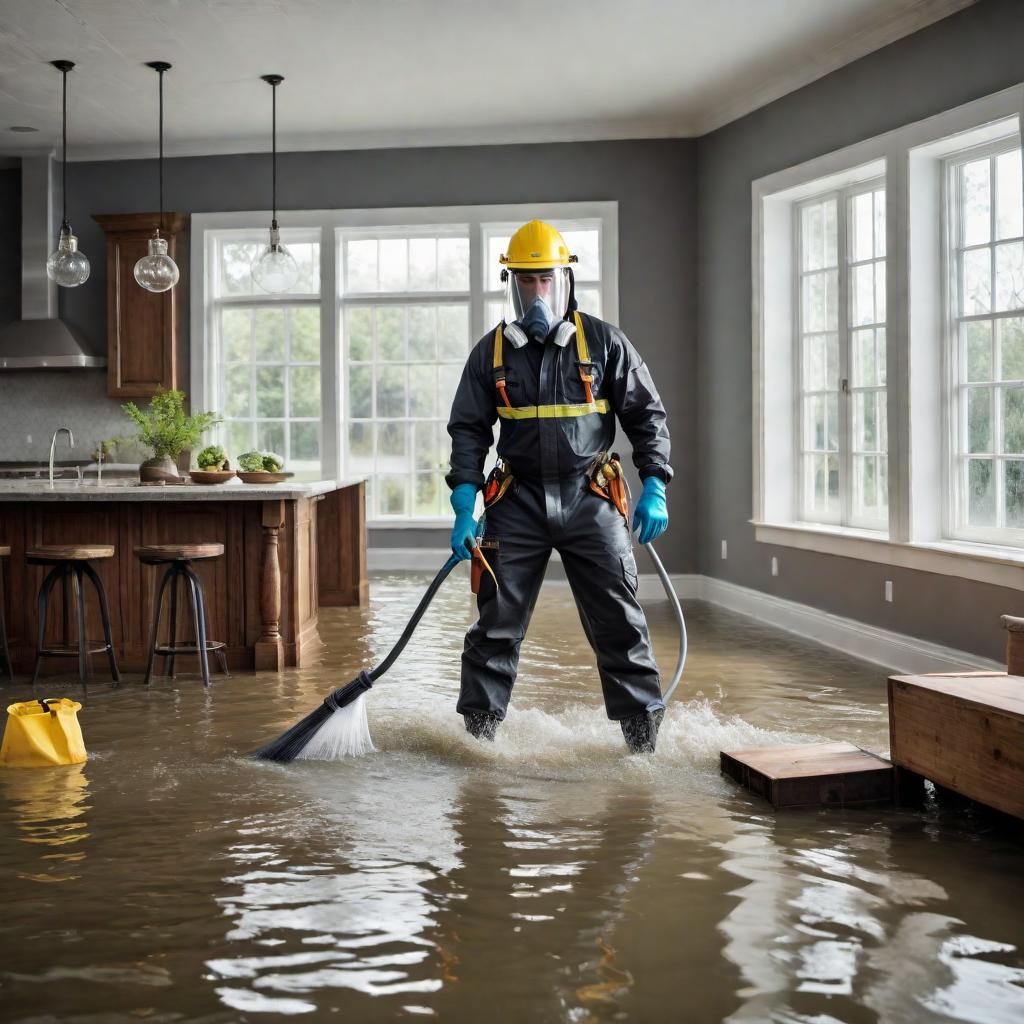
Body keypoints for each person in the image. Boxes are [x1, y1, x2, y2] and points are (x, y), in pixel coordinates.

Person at [446, 220, 671, 753]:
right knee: (495, 623)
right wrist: (463, 500)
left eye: (545, 279)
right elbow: (468, 430)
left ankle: (642, 744)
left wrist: (656, 482)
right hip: (516, 500)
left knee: (619, 620)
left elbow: (647, 416)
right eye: (526, 281)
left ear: (565, 278)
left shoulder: (605, 343)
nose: (536, 292)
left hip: (590, 498)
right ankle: (479, 741)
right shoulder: (492, 353)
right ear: (511, 282)